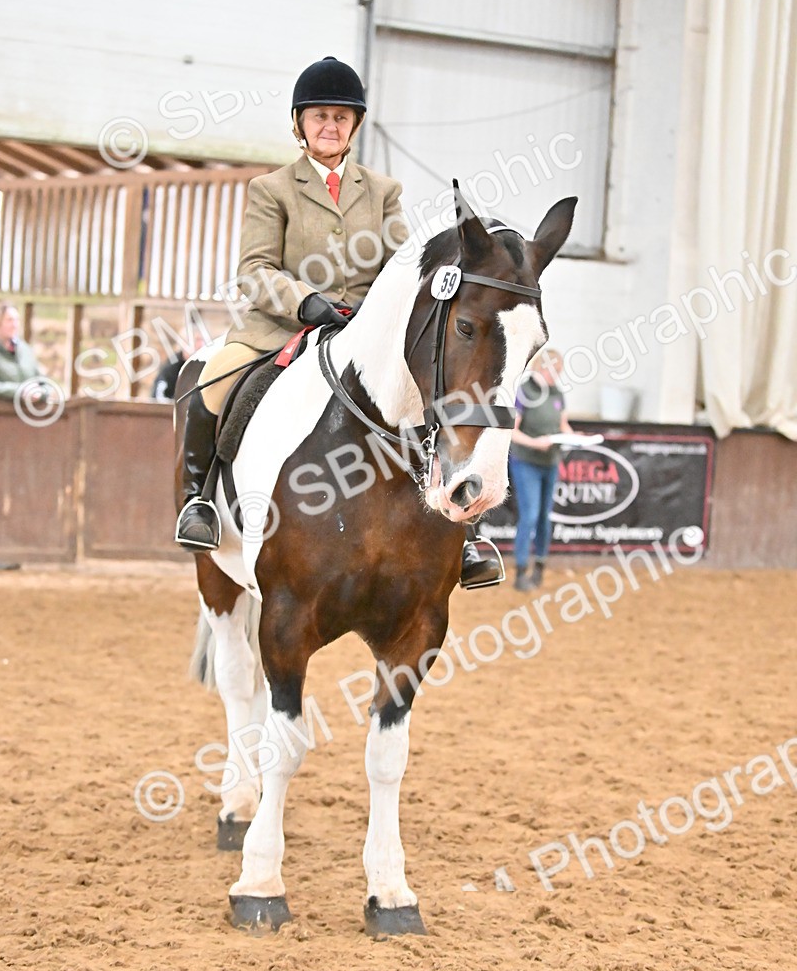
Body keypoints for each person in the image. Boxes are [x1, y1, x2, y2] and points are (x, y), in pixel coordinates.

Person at [175, 56, 502, 589]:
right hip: (282, 327)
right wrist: (305, 301)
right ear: (300, 123)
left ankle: (465, 535)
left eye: (341, 118)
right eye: (320, 116)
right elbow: (254, 270)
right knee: (215, 380)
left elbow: (401, 266)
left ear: (355, 125)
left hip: (363, 333)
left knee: (432, 394)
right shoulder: (272, 189)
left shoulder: (383, 191)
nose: (331, 126)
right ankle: (200, 501)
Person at [509, 349, 573, 592]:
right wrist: (535, 443)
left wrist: (576, 437)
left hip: (550, 461)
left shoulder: (557, 393)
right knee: (530, 515)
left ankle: (540, 566)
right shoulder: (525, 392)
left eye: (558, 371)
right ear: (541, 368)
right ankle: (521, 570)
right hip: (526, 461)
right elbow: (513, 430)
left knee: (545, 516)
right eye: (553, 370)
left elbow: (563, 424)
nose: (556, 376)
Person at [0, 304, 41, 401]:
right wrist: (20, 390)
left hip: (30, 408)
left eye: (17, 320)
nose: (14, 325)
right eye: (9, 320)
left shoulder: (25, 349)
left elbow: (43, 380)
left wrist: (41, 392)